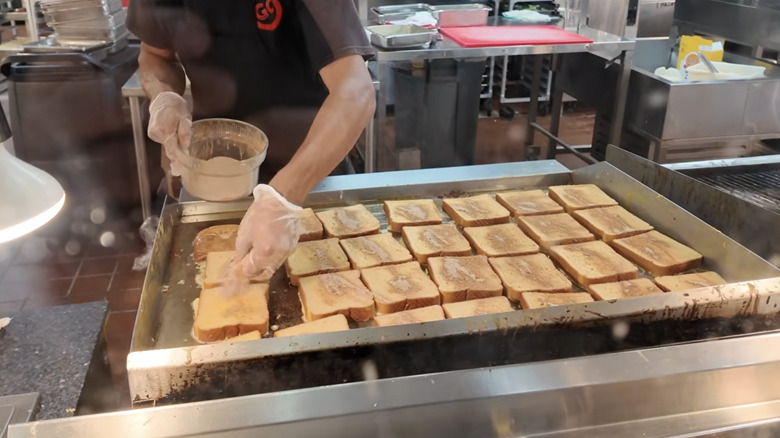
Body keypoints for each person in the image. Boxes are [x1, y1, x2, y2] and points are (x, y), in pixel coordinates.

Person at [127, 0, 376, 280]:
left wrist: (281, 198)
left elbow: (355, 91)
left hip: (311, 174)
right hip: (215, 180)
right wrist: (164, 97)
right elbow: (154, 56)